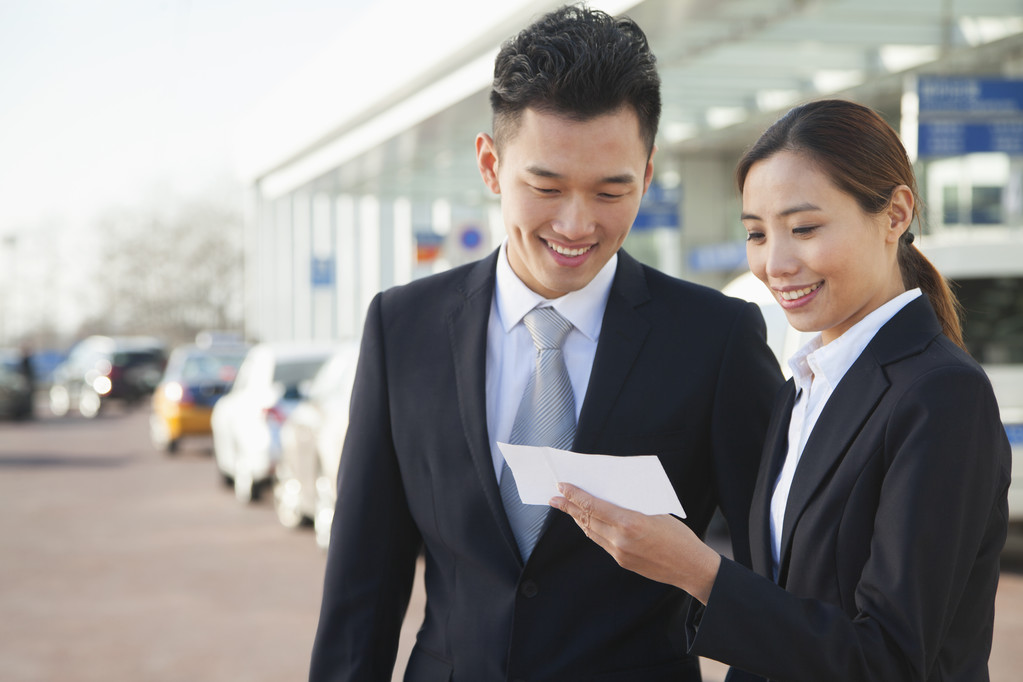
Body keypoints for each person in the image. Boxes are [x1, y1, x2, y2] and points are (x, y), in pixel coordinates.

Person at [308, 5, 783, 681]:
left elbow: (772, 576)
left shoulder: (717, 337)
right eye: (546, 186)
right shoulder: (401, 328)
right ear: (489, 164)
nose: (575, 223)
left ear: (646, 175)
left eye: (610, 190)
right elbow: (362, 583)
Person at [552, 99, 1012, 682]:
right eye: (756, 234)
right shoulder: (805, 385)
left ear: (895, 214)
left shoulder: (941, 394)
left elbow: (890, 660)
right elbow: (789, 606)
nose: (775, 262)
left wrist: (701, 573)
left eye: (804, 229)